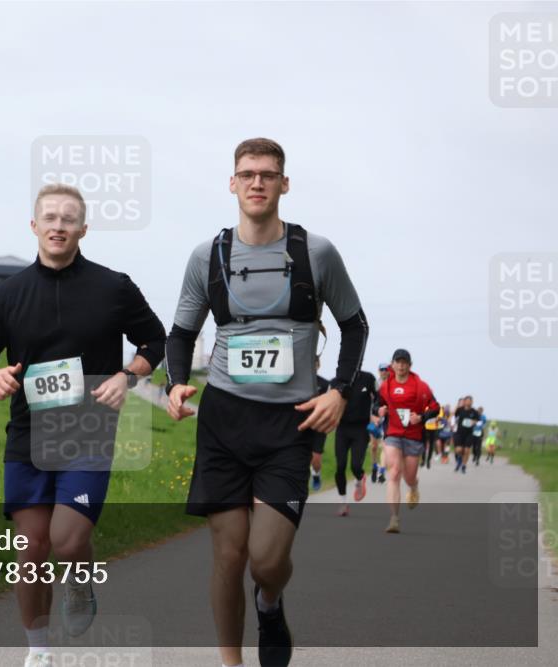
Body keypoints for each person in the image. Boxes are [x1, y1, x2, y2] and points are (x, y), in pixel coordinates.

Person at [164, 138, 368, 667]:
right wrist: (177, 383)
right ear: (232, 183)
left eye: (268, 175)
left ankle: (270, 604)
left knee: (266, 560)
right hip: (225, 420)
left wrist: (339, 393)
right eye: (248, 174)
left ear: (284, 184)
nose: (258, 183)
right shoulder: (208, 255)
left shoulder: (314, 252)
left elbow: (355, 325)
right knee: (228, 557)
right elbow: (182, 331)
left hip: (290, 424)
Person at [0, 183, 166, 667]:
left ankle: (79, 576)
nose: (58, 226)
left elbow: (154, 340)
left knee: (69, 541)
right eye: (49, 217)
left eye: (68, 219)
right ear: (34, 226)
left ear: (83, 229)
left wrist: (126, 375)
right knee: (31, 548)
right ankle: (39, 652)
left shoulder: (113, 287)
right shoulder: (10, 295)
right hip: (28, 437)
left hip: (88, 431)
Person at [377, 349, 439, 534]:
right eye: (398, 362)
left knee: (408, 476)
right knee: (394, 473)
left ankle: (414, 487)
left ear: (410, 365)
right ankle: (394, 519)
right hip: (393, 434)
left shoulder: (421, 386)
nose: (401, 365)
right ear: (393, 364)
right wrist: (380, 410)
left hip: (413, 436)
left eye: (405, 362)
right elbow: (377, 404)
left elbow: (435, 408)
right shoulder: (385, 386)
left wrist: (421, 417)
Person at [333, 365, 378, 516]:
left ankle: (360, 478)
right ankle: (343, 503)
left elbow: (378, 398)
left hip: (361, 429)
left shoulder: (368, 378)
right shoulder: (336, 382)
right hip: (342, 429)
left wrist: (376, 412)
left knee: (355, 466)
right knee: (340, 466)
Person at [310, 359, 329, 492]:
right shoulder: (298, 383)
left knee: (316, 460)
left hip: (319, 425)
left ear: (318, 365)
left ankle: (316, 474)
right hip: (301, 425)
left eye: (314, 363)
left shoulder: (325, 384)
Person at [369, 363, 389, 484]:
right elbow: (369, 403)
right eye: (382, 369)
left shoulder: (392, 384)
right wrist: (372, 417)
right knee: (374, 446)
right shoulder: (374, 385)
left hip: (387, 419)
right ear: (378, 371)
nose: (384, 371)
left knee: (385, 446)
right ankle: (374, 467)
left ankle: (382, 471)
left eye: (386, 369)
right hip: (375, 417)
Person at [454, 396, 479, 474]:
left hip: (469, 433)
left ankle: (464, 465)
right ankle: (459, 460)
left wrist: (473, 422)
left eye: (470, 401)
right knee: (459, 450)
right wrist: (457, 405)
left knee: (467, 450)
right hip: (459, 433)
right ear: (464, 401)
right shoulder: (460, 409)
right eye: (467, 401)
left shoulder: (474, 411)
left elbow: (477, 420)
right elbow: (454, 415)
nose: (469, 402)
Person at [422, 405, 440, 469]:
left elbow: (439, 417)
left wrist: (438, 418)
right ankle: (423, 459)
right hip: (424, 429)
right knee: (424, 445)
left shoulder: (436, 407)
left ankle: (428, 460)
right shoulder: (424, 406)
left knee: (431, 445)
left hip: (433, 429)